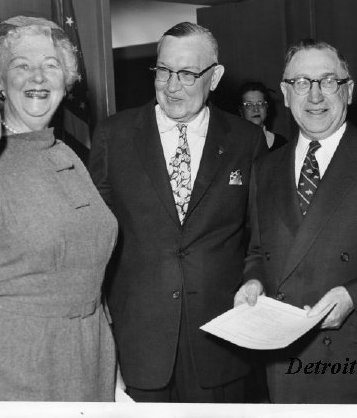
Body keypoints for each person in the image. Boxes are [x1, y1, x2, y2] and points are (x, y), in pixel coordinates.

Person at [89, 22, 266, 403]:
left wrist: (255, 281)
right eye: (164, 71)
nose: (172, 86)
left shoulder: (246, 141)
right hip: (139, 341)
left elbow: (260, 237)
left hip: (222, 342)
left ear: (214, 77)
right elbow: (94, 239)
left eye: (187, 74)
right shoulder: (113, 135)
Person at [236, 39, 357, 403]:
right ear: (286, 96)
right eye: (302, 83)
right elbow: (259, 250)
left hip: (355, 360)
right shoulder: (266, 168)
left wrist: (355, 296)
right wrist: (252, 281)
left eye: (328, 81)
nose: (315, 96)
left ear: (349, 91)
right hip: (283, 361)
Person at [0, 16, 117, 401]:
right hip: (11, 357)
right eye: (22, 65)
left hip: (88, 351)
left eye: (51, 65)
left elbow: (89, 260)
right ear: (0, 83)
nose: (39, 77)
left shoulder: (67, 153)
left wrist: (111, 369)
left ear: (65, 81)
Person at [238, 81, 288, 151]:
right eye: (249, 105)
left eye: (260, 103)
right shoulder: (232, 142)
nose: (256, 109)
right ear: (241, 110)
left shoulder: (281, 144)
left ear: (266, 107)